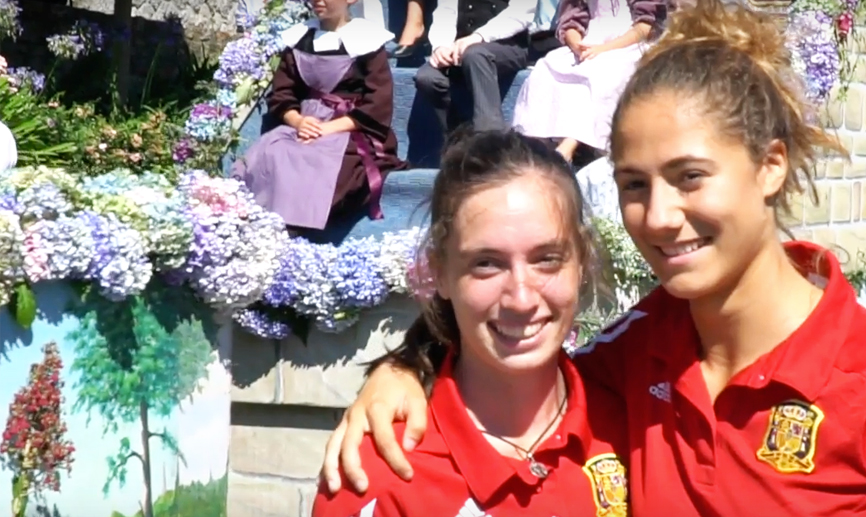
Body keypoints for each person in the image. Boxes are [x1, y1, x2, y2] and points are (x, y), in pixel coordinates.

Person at [319, 2, 866, 516]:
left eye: (690, 176)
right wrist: (402, 370)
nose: (657, 216)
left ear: (770, 166)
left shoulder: (852, 375)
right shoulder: (635, 353)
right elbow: (511, 343)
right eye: (633, 183)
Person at [312, 130, 630, 517]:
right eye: (486, 263)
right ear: (439, 271)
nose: (522, 297)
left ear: (582, 261)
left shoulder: (640, 430)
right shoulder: (379, 473)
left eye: (547, 258)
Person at [231, 0, 407, 231]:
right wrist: (298, 121)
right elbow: (283, 92)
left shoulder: (368, 42)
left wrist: (328, 129)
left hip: (351, 129)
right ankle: (260, 221)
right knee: (275, 150)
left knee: (325, 160)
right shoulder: (301, 38)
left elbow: (378, 102)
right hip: (306, 123)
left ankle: (297, 226)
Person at [512, 0, 665, 163]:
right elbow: (572, 21)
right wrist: (577, 45)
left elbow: (646, 27)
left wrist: (603, 49)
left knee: (602, 73)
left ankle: (568, 146)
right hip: (590, 41)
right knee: (546, 68)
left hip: (629, 44)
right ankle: (535, 144)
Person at [414, 0, 560, 138]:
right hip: (460, 46)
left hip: (510, 44)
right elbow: (445, 11)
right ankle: (459, 138)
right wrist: (441, 46)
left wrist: (480, 36)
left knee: (475, 55)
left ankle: (490, 139)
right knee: (427, 77)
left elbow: (523, 11)